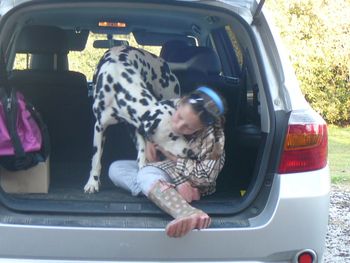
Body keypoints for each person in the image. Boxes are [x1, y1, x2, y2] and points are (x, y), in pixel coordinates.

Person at [108, 86, 226, 238]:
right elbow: (145, 123)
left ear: (202, 127)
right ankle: (169, 191)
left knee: (145, 174)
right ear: (181, 102)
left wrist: (168, 155)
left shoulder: (214, 137)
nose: (179, 126)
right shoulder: (165, 107)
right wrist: (149, 140)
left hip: (191, 175)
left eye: (188, 127)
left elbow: (205, 176)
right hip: (159, 168)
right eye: (179, 117)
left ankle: (187, 212)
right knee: (116, 168)